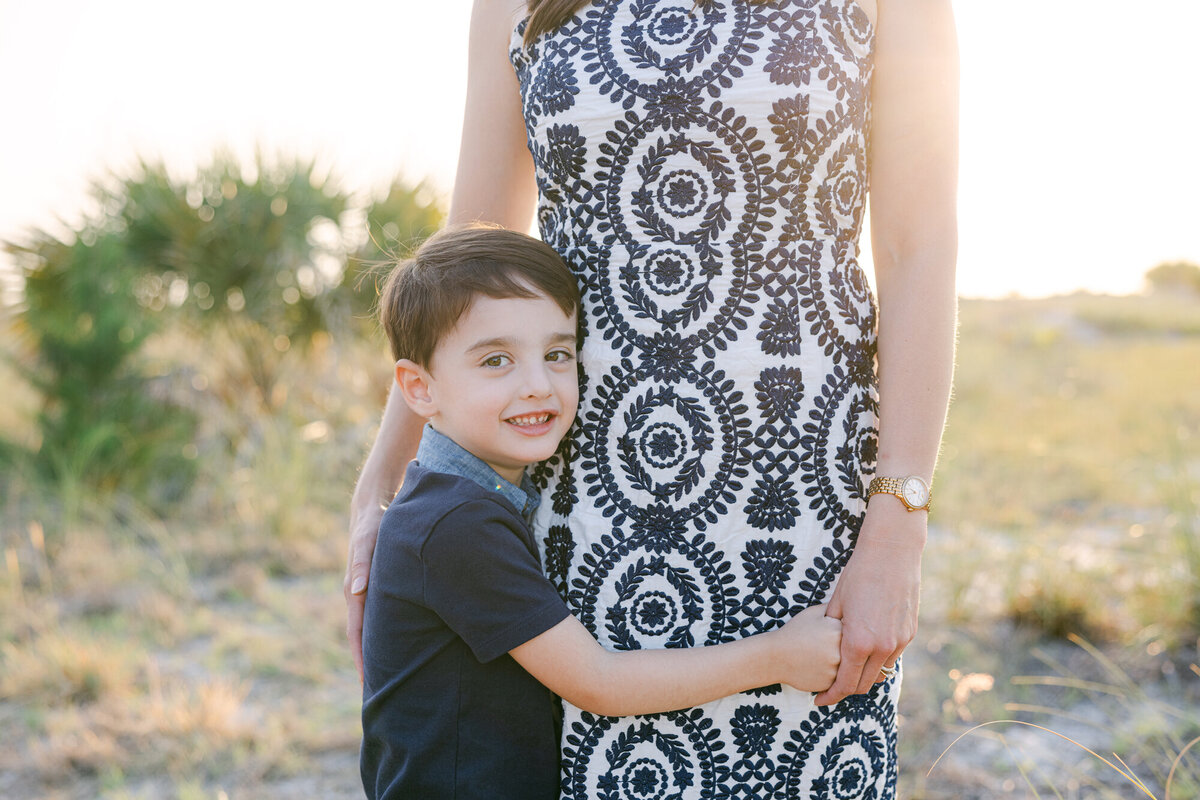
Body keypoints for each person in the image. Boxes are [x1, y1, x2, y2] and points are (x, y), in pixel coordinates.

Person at [348, 0, 957, 795]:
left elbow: (920, 243)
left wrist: (898, 521)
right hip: (591, 493)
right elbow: (471, 240)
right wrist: (380, 485)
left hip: (802, 486)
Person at [361, 223, 842, 799]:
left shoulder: (454, 500)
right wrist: (777, 656)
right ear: (419, 389)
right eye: (496, 361)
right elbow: (599, 681)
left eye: (558, 353)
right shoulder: (454, 524)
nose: (538, 385)